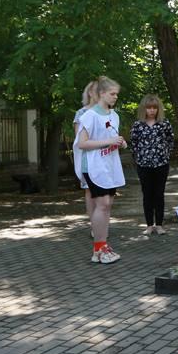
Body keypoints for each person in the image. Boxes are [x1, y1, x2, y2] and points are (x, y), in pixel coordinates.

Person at [76, 77, 127, 264]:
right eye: (112, 94)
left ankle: (102, 245)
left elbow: (111, 136)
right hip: (93, 166)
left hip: (109, 167)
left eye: (117, 94)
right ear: (102, 93)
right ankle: (98, 247)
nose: (115, 97)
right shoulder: (89, 116)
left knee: (107, 205)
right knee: (102, 204)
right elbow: (82, 143)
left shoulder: (114, 116)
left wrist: (119, 141)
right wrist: (109, 142)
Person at [130, 94, 174, 235]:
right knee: (147, 194)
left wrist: (165, 153)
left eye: (154, 107)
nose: (152, 110)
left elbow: (170, 140)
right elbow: (133, 143)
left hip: (161, 164)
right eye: (149, 108)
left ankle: (159, 225)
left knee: (159, 194)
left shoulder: (164, 123)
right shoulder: (138, 125)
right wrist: (139, 156)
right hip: (143, 165)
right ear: (144, 109)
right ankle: (149, 225)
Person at [73, 81, 98, 226]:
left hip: (103, 157)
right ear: (89, 93)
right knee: (89, 191)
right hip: (88, 158)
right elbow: (79, 139)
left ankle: (102, 223)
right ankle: (94, 224)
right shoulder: (81, 113)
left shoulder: (107, 112)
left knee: (104, 192)